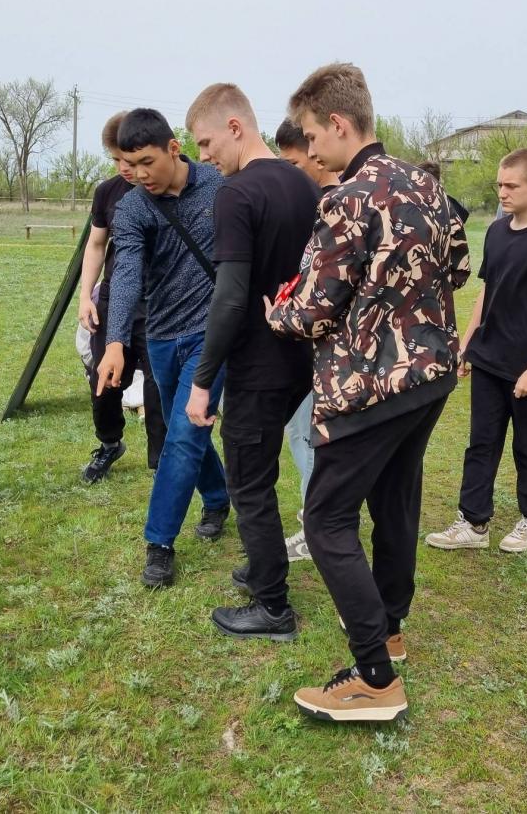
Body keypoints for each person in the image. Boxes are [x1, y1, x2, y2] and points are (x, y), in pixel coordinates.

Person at [269, 63, 470, 722]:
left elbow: (314, 311)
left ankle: (374, 678)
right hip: (432, 375)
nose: (309, 149)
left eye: (309, 135)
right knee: (395, 500)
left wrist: (278, 309)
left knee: (326, 521)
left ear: (337, 123)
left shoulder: (346, 197)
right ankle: (389, 627)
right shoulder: (428, 184)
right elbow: (461, 267)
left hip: (372, 386)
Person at [184, 84, 318, 640]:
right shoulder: (302, 181)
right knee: (259, 471)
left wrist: (202, 381)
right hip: (301, 358)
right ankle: (264, 565)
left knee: (249, 482)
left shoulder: (235, 194)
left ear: (236, 127)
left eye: (207, 142)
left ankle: (273, 608)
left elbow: (231, 296)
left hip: (259, 366)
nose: (204, 157)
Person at [96, 108, 229, 587]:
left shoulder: (219, 185)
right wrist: (114, 342)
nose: (140, 174)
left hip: (211, 338)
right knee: (185, 428)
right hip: (160, 337)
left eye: (148, 162)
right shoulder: (132, 207)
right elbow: (127, 271)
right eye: (131, 164)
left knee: (182, 433)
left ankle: (159, 542)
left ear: (175, 148)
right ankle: (217, 499)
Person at [426, 148, 527, 555]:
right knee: (482, 441)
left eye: (511, 186)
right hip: (490, 357)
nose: (503, 192)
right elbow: (487, 292)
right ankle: (474, 522)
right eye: (500, 185)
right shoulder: (496, 231)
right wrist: (468, 344)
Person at [77, 111, 167, 478]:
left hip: (159, 302)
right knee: (104, 379)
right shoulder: (107, 191)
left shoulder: (161, 187)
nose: (124, 168)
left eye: (128, 160)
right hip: (114, 299)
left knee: (160, 388)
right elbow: (97, 244)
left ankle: (162, 461)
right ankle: (109, 442)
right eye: (116, 159)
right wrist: (86, 296)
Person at [270, 117, 341, 563]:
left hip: (321, 351)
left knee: (307, 434)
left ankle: (317, 527)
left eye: (294, 160)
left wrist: (281, 314)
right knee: (300, 431)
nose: (294, 169)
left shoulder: (333, 205)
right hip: (314, 349)